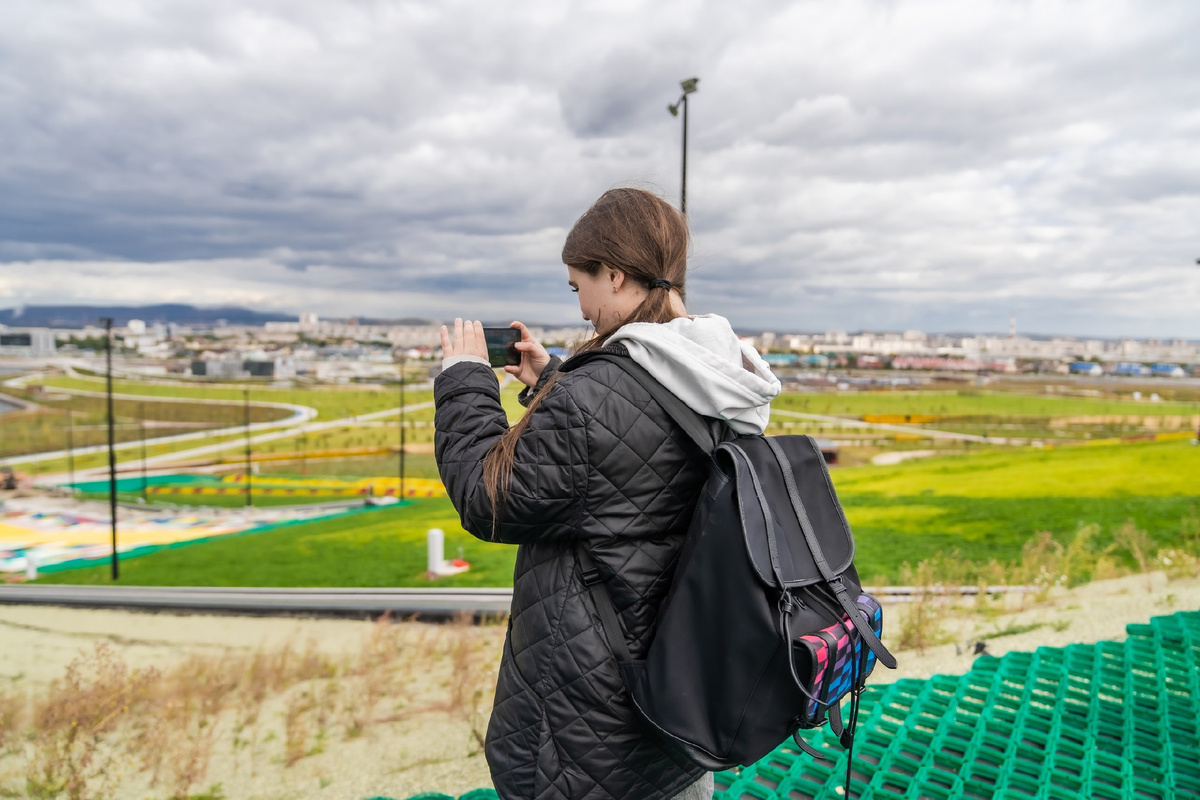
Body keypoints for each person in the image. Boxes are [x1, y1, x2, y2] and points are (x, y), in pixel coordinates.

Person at [434, 187, 781, 800]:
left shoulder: (597, 394)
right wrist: (553, 382)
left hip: (593, 713)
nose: (583, 306)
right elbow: (630, 452)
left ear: (615, 274)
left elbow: (486, 496)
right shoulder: (718, 368)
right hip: (681, 681)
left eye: (579, 286)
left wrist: (463, 383)